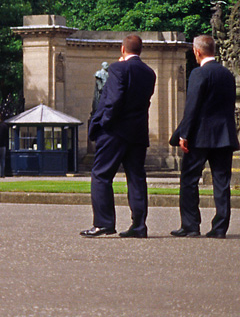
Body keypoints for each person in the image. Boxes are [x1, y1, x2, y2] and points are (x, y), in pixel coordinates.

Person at [82, 33, 157, 238]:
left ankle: (104, 223)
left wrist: (103, 123)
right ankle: (139, 226)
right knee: (136, 178)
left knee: (101, 175)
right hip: (138, 132)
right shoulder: (149, 72)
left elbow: (113, 100)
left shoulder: (117, 68)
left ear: (123, 50)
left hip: (114, 132)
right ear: (140, 51)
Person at [170, 34, 238, 239]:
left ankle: (191, 225)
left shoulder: (199, 74)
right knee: (221, 182)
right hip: (224, 136)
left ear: (197, 52)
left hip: (200, 136)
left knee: (189, 180)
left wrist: (184, 134)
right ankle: (220, 228)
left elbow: (192, 108)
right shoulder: (227, 74)